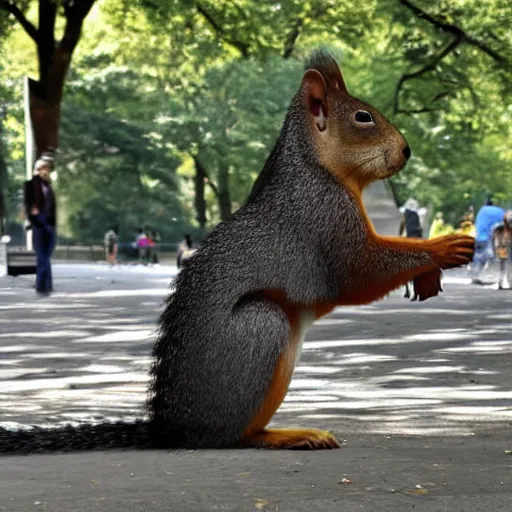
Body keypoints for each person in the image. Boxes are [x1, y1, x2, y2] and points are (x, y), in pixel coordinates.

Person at [24, 158, 57, 295]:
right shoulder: (31, 184)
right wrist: (32, 212)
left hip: (49, 225)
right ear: (37, 170)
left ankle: (46, 285)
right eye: (43, 168)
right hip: (38, 224)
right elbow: (28, 203)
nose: (46, 170)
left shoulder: (48, 185)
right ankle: (42, 286)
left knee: (46, 256)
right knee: (42, 256)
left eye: (47, 168)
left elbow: (52, 207)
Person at [471, 197, 505, 284]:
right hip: (493, 239)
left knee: (479, 258)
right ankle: (501, 278)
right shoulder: (499, 211)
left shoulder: (481, 211)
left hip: (479, 238)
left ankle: (475, 276)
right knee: (502, 257)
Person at [399, 198, 426, 298]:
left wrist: (399, 235)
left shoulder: (405, 212)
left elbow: (402, 225)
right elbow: (422, 227)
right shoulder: (419, 213)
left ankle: (407, 289)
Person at [492, 210, 512, 290]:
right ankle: (501, 282)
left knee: (507, 265)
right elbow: (495, 237)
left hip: (506, 247)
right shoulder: (499, 228)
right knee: (503, 265)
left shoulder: (501, 228)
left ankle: (507, 282)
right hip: (503, 247)